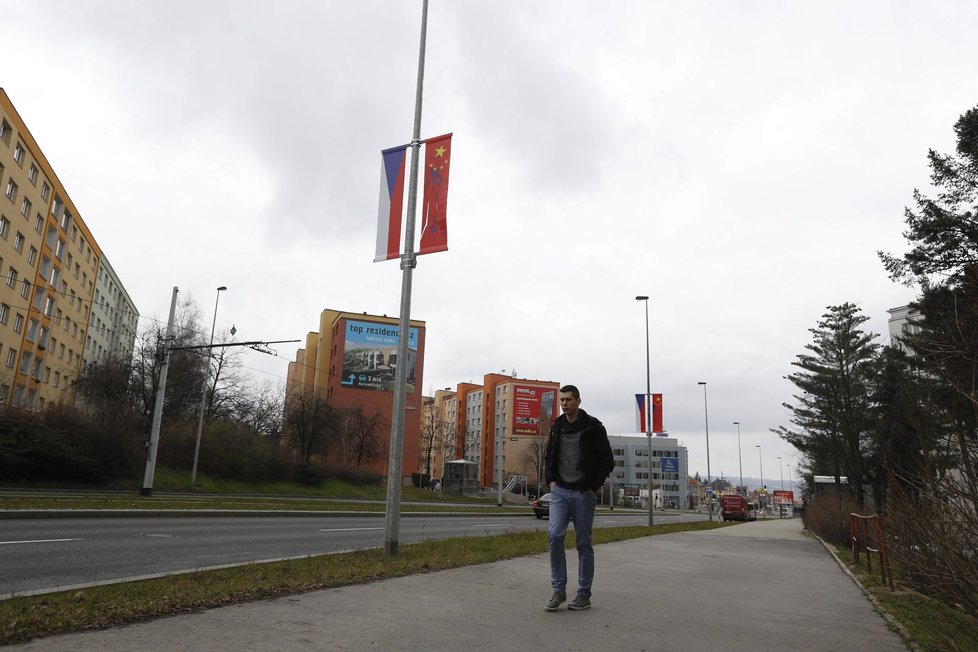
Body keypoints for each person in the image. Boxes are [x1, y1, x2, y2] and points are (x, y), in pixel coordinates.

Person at [543, 384, 615, 611]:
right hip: (560, 491)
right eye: (562, 400)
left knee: (583, 543)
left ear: (578, 401)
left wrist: (593, 486)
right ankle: (558, 591)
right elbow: (549, 456)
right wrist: (551, 481)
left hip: (583, 492)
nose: (564, 404)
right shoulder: (556, 426)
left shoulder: (593, 427)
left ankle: (583, 594)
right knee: (555, 536)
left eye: (569, 400)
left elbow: (607, 460)